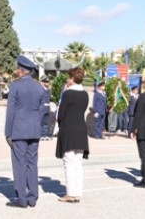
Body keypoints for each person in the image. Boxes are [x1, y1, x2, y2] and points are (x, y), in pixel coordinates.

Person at [4, 55, 45, 209]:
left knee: (19, 163)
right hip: (34, 130)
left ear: (21, 71)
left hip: (19, 130)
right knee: (32, 163)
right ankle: (33, 197)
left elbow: (11, 112)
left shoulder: (15, 86)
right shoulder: (40, 87)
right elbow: (42, 111)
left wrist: (7, 133)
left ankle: (22, 198)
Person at [55, 68, 89, 203]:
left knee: (68, 161)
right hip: (81, 129)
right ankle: (78, 192)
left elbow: (61, 113)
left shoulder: (68, 94)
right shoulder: (85, 94)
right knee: (77, 163)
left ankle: (70, 193)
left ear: (73, 79)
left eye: (69, 78)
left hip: (69, 129)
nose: (67, 80)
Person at [40, 76, 52, 141]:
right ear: (43, 82)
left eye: (48, 82)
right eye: (46, 82)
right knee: (41, 122)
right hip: (42, 107)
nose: (47, 83)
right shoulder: (40, 89)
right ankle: (41, 135)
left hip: (47, 107)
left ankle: (46, 135)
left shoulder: (48, 90)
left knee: (46, 122)